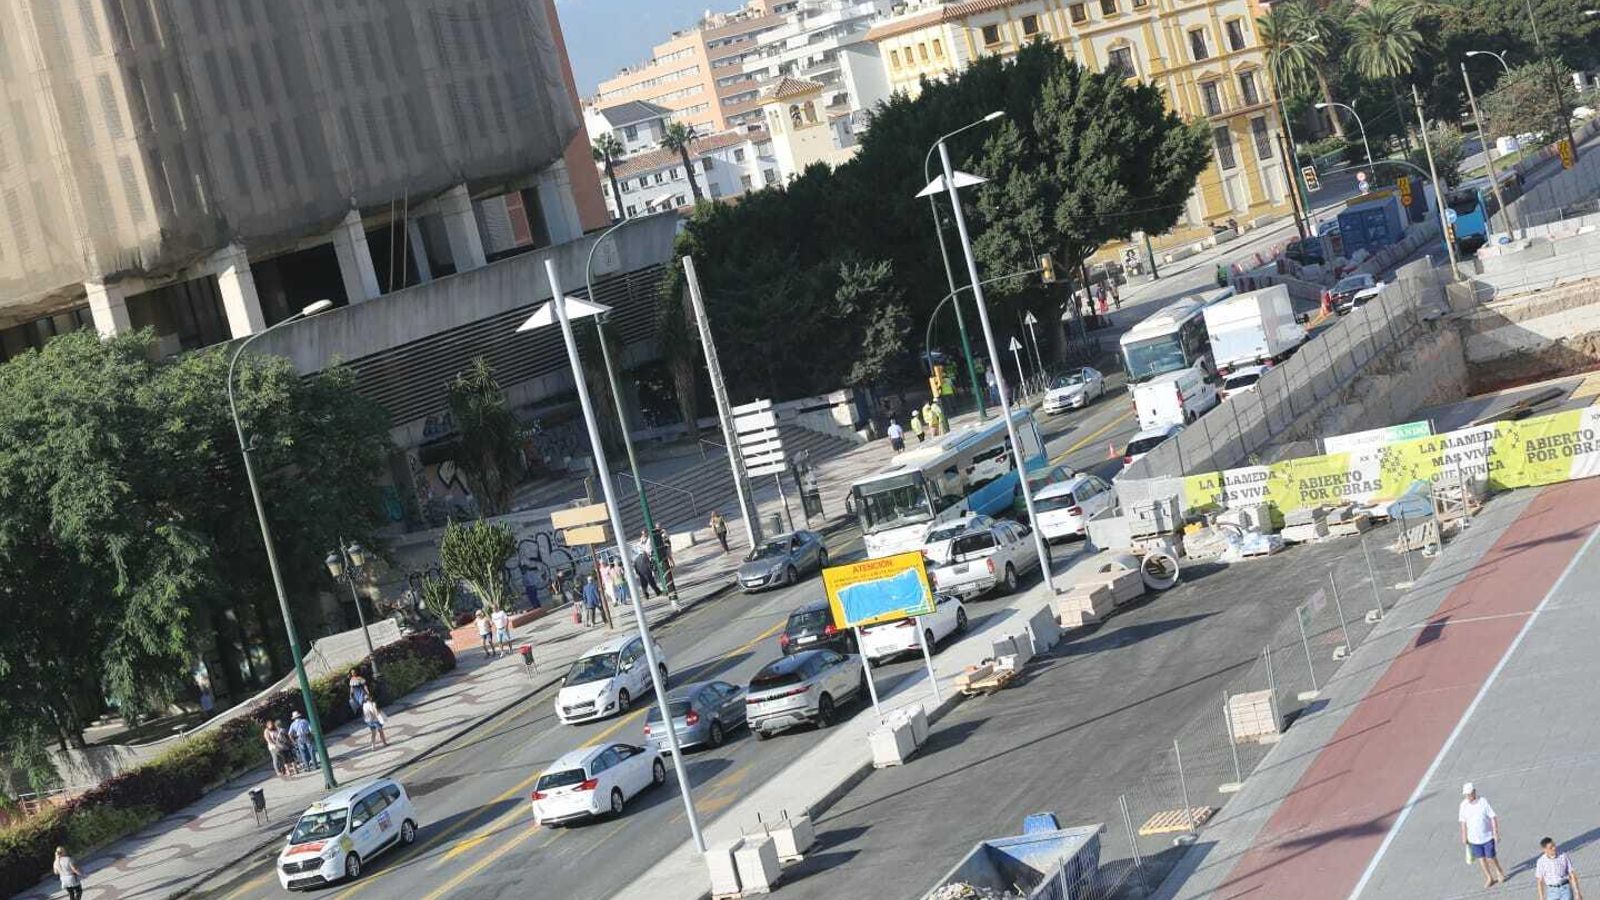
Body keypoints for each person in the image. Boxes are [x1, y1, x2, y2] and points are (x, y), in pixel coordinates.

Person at [1459, 782, 1505, 888]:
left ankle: (1499, 871)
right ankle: (1489, 877)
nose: (1468, 797)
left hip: (1487, 836)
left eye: (1469, 794)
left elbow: (1493, 816)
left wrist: (1495, 832)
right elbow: (1463, 821)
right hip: (1473, 838)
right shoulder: (1463, 805)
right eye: (1466, 795)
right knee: (1481, 858)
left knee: (1491, 857)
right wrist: (1464, 835)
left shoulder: (1483, 801)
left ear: (1474, 792)